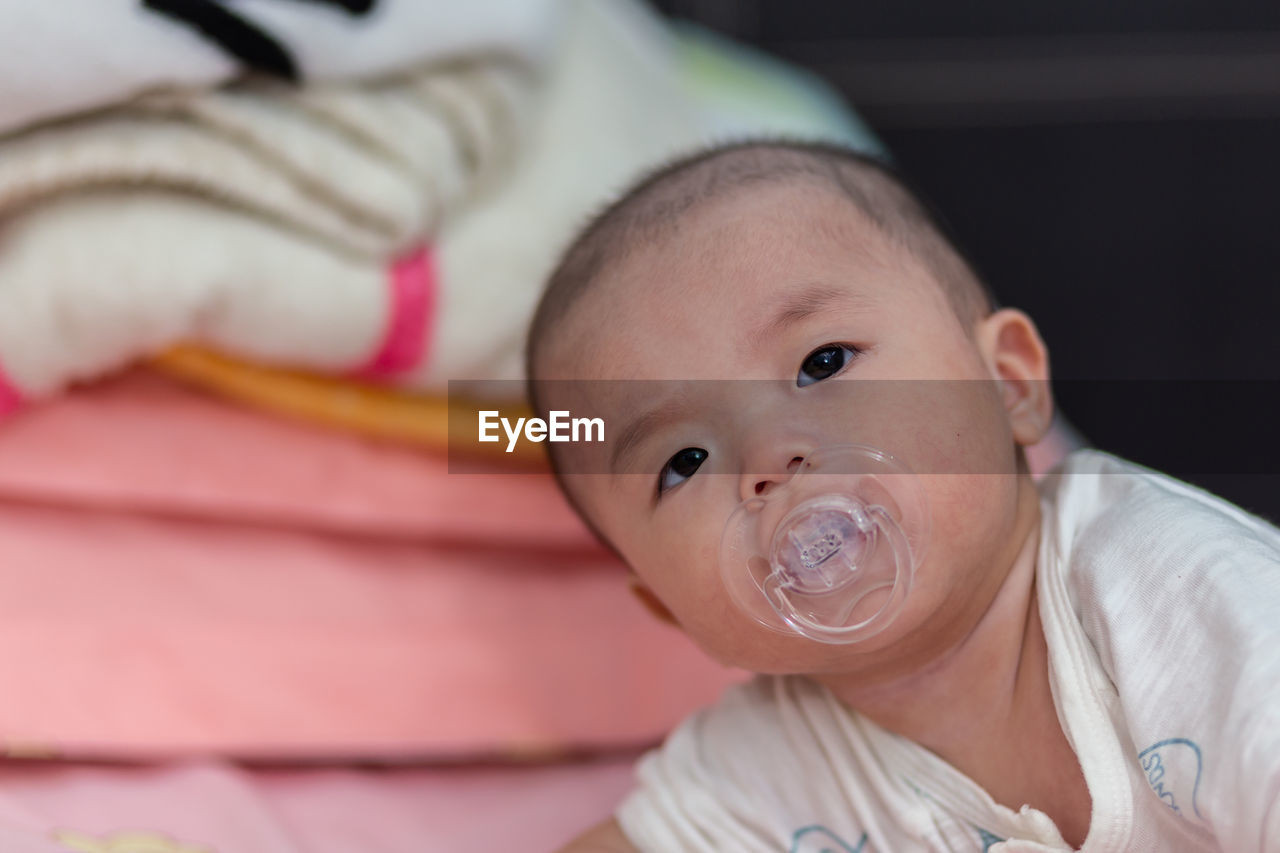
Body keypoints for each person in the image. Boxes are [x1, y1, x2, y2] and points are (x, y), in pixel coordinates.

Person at [523, 140, 1280, 852]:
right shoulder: (764, 763)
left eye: (822, 362)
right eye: (683, 460)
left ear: (1007, 382)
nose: (766, 459)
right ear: (664, 603)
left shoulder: (1173, 595)